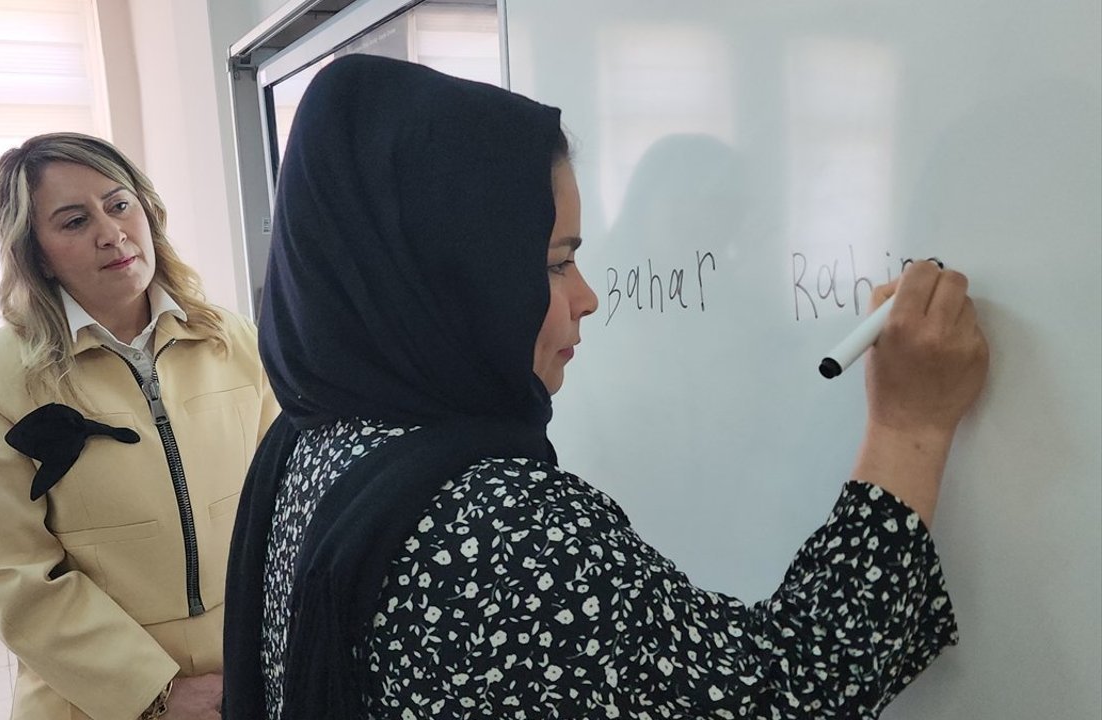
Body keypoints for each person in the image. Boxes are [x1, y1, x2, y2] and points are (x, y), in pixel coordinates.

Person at [222, 55, 988, 719]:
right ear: (450, 280)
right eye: (555, 263)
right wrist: (908, 428)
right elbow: (783, 692)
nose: (587, 297)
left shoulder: (310, 438)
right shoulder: (500, 539)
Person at [0, 132, 279, 720]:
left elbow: (281, 507)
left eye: (119, 205)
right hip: (98, 694)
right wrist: (155, 693)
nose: (111, 232)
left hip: (244, 670)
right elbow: (10, 571)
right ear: (36, 252)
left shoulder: (234, 340)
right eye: (74, 221)